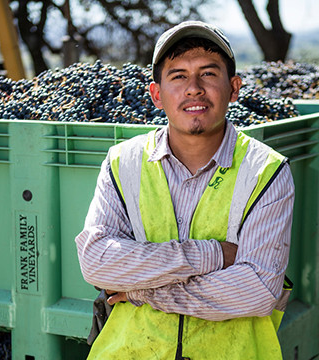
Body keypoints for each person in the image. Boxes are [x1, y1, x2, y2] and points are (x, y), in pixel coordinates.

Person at [75, 20, 294, 360]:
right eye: (178, 76)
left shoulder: (266, 171)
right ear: (157, 94)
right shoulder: (124, 162)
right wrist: (214, 255)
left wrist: (141, 292)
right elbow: (96, 262)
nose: (193, 88)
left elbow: (258, 290)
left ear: (234, 88)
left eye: (208, 73)